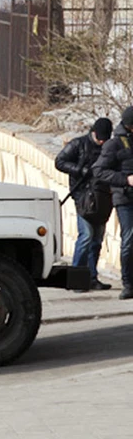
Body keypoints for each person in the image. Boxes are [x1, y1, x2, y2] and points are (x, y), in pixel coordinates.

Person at [57, 117, 114, 291]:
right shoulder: (78, 144)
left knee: (97, 239)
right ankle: (76, 279)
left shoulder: (109, 147)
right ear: (93, 133)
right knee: (86, 236)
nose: (102, 142)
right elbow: (60, 162)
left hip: (102, 197)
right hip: (83, 196)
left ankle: (91, 277)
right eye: (100, 138)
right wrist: (81, 171)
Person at [93, 108, 133, 299]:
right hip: (125, 198)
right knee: (129, 239)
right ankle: (128, 283)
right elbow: (99, 171)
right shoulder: (114, 144)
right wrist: (126, 180)